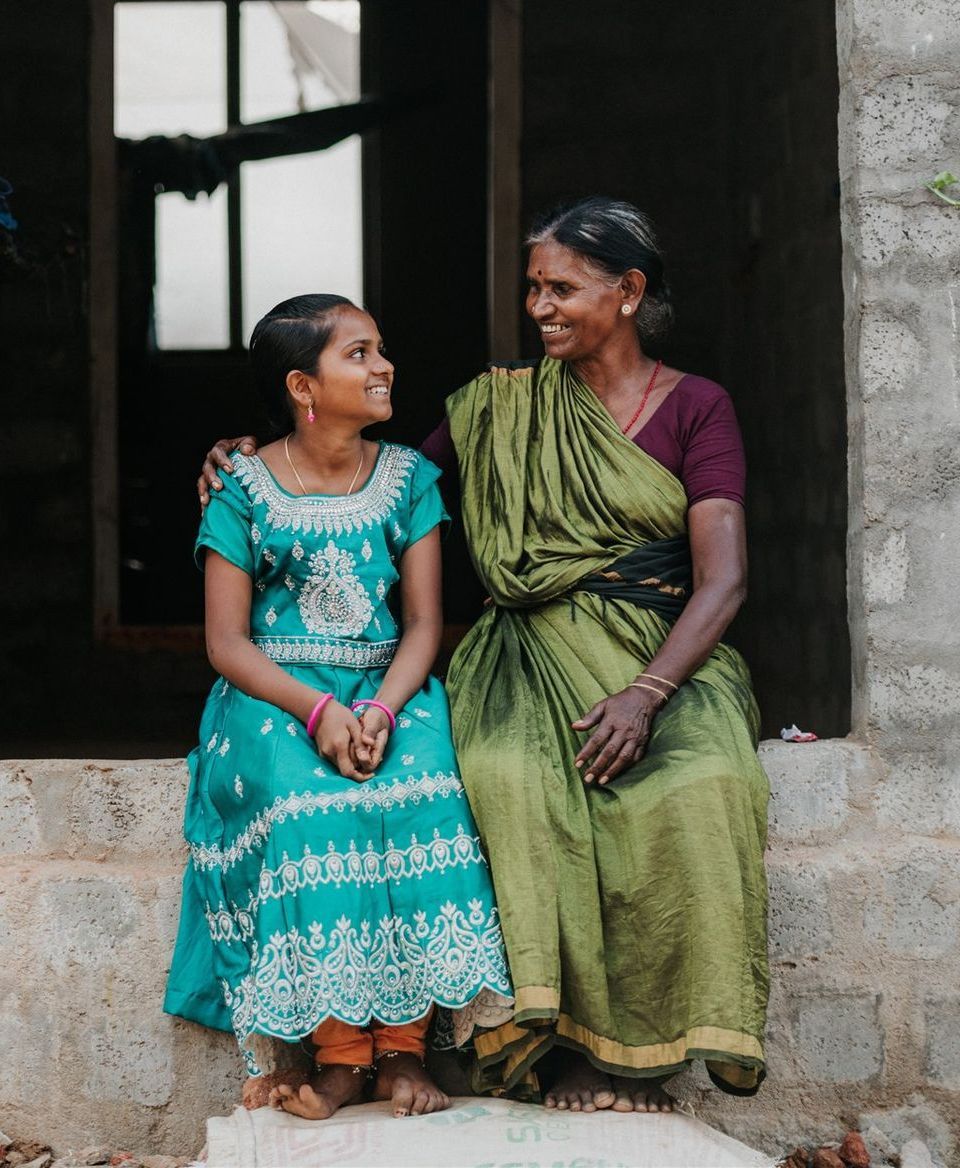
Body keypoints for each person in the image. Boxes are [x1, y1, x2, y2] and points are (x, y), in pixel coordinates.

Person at [198, 197, 769, 1115]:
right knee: (505, 775)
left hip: (661, 654)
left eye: (562, 289)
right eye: (534, 288)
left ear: (628, 292)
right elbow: (366, 465)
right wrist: (241, 455)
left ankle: (642, 1059)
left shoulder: (699, 407)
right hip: (526, 656)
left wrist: (648, 694)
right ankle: (557, 1051)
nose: (539, 307)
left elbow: (725, 578)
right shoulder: (499, 407)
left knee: (706, 783)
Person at [166, 294, 512, 1121]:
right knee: (307, 809)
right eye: (358, 353)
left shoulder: (410, 479)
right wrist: (317, 712)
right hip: (274, 696)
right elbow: (226, 642)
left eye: (379, 348)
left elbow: (424, 624)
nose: (383, 365)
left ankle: (403, 1054)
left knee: (429, 797)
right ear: (302, 386)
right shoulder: (241, 487)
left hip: (389, 689)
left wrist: (383, 713)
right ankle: (342, 1058)